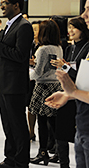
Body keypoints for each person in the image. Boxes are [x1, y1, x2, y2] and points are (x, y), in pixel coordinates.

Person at [0, 0, 33, 168]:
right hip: (4, 83)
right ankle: (10, 158)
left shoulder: (24, 26)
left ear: (16, 5)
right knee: (8, 124)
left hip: (15, 84)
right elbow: (0, 51)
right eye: (1, 3)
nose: (1, 6)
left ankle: (20, 162)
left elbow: (20, 55)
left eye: (5, 3)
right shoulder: (8, 26)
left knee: (18, 125)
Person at [45, 0, 89, 168]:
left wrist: (72, 92)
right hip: (82, 119)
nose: (84, 15)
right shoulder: (71, 48)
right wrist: (68, 95)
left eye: (88, 10)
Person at [28, 20, 63, 165]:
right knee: (54, 122)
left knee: (42, 121)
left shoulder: (42, 49)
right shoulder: (58, 47)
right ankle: (60, 152)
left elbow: (38, 73)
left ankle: (43, 153)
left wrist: (26, 75)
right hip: (56, 86)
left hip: (43, 87)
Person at [27, 21, 41, 142]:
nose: (34, 32)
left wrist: (35, 63)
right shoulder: (30, 44)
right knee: (30, 107)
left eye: (36, 30)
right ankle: (31, 131)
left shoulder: (43, 47)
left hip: (40, 79)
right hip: (31, 78)